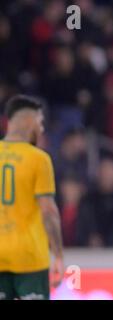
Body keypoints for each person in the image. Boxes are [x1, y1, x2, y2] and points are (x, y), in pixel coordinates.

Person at [0, 95, 64, 300]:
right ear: (29, 122)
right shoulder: (39, 159)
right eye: (40, 122)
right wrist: (59, 256)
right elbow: (48, 211)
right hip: (30, 258)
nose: (42, 129)